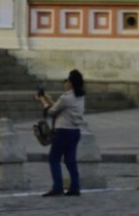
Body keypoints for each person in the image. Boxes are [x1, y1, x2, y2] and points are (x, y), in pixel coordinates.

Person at [36, 69, 86, 197]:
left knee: (54, 159)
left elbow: (51, 112)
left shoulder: (66, 97)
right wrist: (50, 100)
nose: (65, 83)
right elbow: (62, 109)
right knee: (70, 160)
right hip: (75, 132)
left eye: (67, 81)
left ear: (70, 82)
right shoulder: (80, 96)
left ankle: (57, 186)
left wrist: (42, 100)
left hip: (63, 131)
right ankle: (75, 187)